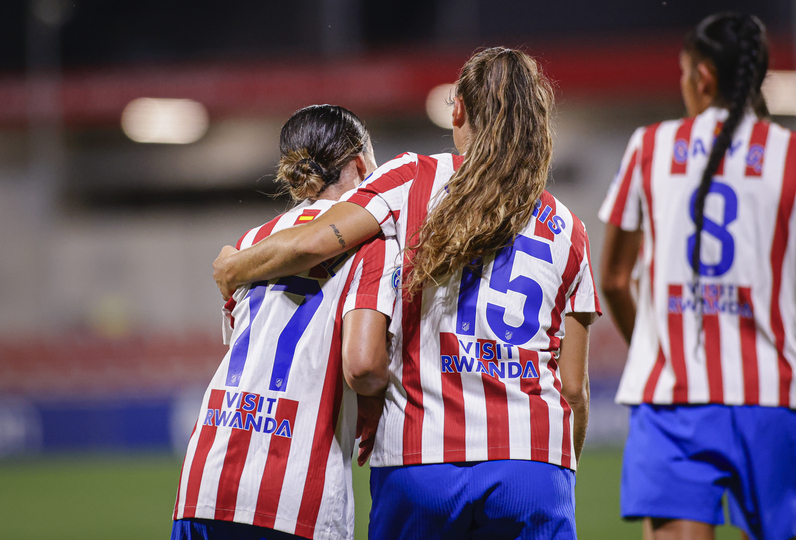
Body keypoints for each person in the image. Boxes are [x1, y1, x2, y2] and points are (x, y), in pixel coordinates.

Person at [213, 47, 601, 539]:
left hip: (422, 460)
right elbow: (573, 390)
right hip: (533, 464)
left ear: (456, 109)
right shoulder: (570, 229)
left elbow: (313, 241)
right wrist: (556, 470)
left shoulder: (417, 177)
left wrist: (233, 267)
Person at [598, 12, 796, 540]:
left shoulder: (648, 148)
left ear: (701, 77)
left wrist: (651, 346)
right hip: (773, 401)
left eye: (683, 75)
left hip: (674, 403)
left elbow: (613, 278)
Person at [172, 105, 396, 540]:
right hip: (295, 494)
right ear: (361, 164)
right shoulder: (374, 246)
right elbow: (364, 363)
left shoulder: (248, 245)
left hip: (206, 479)